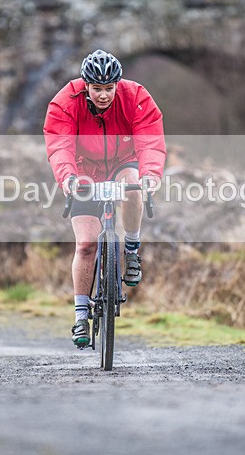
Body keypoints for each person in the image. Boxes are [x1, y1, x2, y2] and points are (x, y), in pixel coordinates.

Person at [43, 49, 166, 348]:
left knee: (134, 186)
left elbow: (150, 140)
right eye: (96, 89)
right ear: (85, 84)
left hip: (125, 162)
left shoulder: (135, 96)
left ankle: (132, 251)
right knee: (86, 244)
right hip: (84, 171)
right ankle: (80, 315)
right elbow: (60, 145)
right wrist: (69, 179)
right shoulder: (66, 102)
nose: (103, 95)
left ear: (117, 84)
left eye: (109, 89)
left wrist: (151, 175)